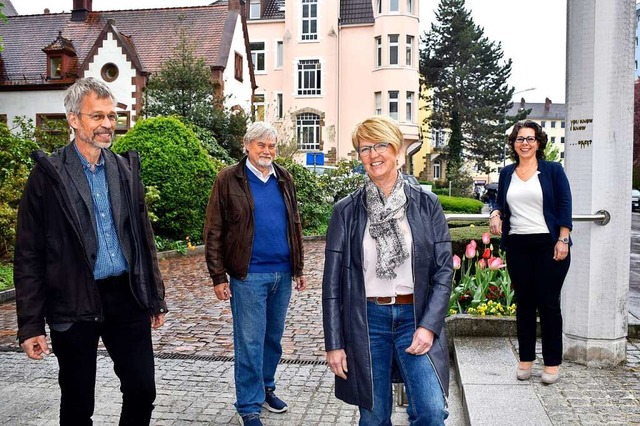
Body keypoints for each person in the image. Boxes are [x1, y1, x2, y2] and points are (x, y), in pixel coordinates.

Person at [14, 77, 167, 425]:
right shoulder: (47, 176)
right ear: (73, 119)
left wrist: (154, 296)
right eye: (97, 116)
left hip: (125, 297)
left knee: (143, 390)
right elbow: (28, 254)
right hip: (73, 299)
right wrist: (31, 324)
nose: (107, 125)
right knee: (78, 402)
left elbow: (143, 238)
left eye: (111, 116)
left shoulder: (125, 169)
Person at [322, 115, 452, 425]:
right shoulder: (346, 210)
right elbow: (332, 285)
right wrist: (334, 343)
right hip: (367, 322)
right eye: (364, 148)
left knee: (432, 411)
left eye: (381, 145)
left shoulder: (426, 203)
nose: (373, 154)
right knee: (374, 416)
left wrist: (430, 325)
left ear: (397, 151)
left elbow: (444, 272)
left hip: (414, 317)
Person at [203, 121, 306, 426]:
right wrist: (218, 276)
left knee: (272, 339)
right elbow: (214, 229)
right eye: (261, 145)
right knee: (249, 341)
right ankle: (248, 404)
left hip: (282, 273)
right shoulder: (228, 179)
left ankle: (266, 388)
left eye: (271, 145)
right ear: (246, 146)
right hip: (248, 275)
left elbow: (295, 223)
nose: (267, 151)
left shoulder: (284, 178)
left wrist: (298, 267)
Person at [489, 120, 572, 385]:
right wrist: (495, 211)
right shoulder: (506, 173)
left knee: (548, 304)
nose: (525, 143)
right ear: (513, 144)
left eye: (530, 139)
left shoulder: (552, 171)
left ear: (539, 142)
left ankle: (551, 363)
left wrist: (564, 239)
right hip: (518, 245)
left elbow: (563, 204)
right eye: (520, 139)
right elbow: (500, 201)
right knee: (524, 304)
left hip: (549, 245)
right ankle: (526, 359)